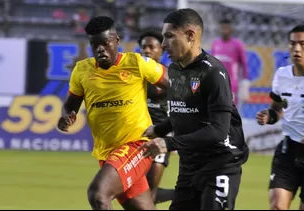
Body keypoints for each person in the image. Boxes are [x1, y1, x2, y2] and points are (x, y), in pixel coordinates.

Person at [139, 8, 249, 210]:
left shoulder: (213, 72)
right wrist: (158, 129)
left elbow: (218, 131)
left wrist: (168, 143)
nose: (163, 44)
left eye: (169, 36)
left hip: (220, 165)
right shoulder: (175, 70)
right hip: (190, 166)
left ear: (190, 36)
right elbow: (184, 113)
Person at [57, 16, 168, 210]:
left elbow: (176, 84)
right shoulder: (81, 70)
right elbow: (70, 105)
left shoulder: (136, 63)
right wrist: (66, 116)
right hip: (107, 153)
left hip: (136, 145)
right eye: (95, 44)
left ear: (116, 41)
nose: (100, 49)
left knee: (98, 194)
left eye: (105, 43)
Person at [255, 24, 304, 210]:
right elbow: (278, 109)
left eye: (302, 43)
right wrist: (269, 116)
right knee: (277, 207)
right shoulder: (281, 75)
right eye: (292, 43)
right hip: (288, 150)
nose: (297, 48)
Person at [138, 31, 175, 204]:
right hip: (139, 134)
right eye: (143, 47)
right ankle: (184, 194)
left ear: (161, 50)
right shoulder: (135, 76)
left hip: (162, 135)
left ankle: (185, 194)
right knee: (140, 190)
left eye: (151, 47)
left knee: (151, 187)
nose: (146, 50)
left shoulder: (169, 75)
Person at [211, 19, 249, 107]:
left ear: (231, 29)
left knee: (231, 109)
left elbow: (244, 63)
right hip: (217, 82)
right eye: (223, 28)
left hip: (232, 83)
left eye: (227, 28)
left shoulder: (237, 45)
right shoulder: (215, 44)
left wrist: (245, 82)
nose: (224, 30)